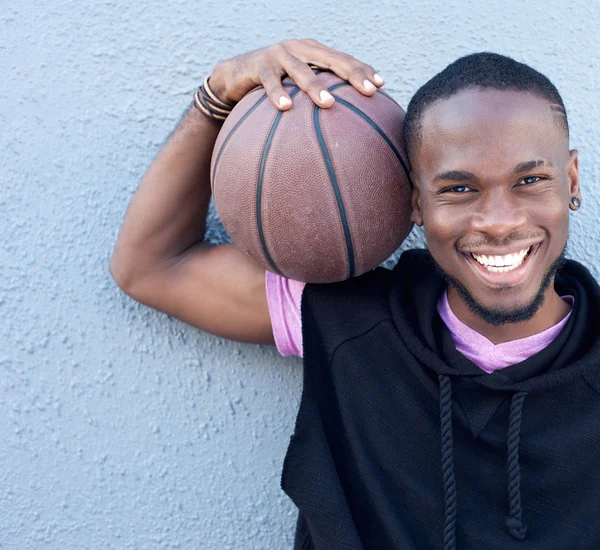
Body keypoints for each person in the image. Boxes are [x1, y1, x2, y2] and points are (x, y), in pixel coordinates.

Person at [109, 39, 600, 549]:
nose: (499, 222)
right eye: (459, 189)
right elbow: (150, 266)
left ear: (570, 179)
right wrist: (218, 92)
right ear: (415, 202)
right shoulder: (351, 323)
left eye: (530, 180)